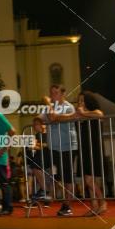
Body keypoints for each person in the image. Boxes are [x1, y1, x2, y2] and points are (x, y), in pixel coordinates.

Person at [45, 85, 77, 217]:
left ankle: (67, 205)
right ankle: (50, 195)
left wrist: (47, 102)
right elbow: (40, 119)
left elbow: (52, 118)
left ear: (63, 93)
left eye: (56, 93)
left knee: (68, 177)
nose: (53, 96)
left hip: (67, 146)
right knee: (59, 176)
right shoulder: (51, 107)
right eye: (51, 93)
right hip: (54, 146)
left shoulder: (69, 107)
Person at [76, 91, 107, 215]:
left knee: (90, 180)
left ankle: (103, 202)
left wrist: (83, 113)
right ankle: (94, 206)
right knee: (87, 180)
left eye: (82, 100)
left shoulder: (94, 112)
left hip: (94, 148)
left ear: (89, 101)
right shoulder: (80, 115)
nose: (80, 103)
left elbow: (100, 114)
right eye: (79, 100)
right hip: (84, 150)